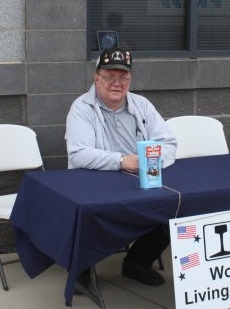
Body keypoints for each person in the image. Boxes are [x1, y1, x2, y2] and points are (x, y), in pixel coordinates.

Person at [66, 47, 177, 286]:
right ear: (96, 78)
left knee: (176, 204)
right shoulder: (81, 108)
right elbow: (78, 154)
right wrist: (121, 161)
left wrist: (152, 160)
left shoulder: (142, 105)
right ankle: (82, 267)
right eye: (110, 77)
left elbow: (168, 142)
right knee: (91, 210)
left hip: (140, 178)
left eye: (123, 78)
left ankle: (137, 262)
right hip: (95, 181)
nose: (117, 83)